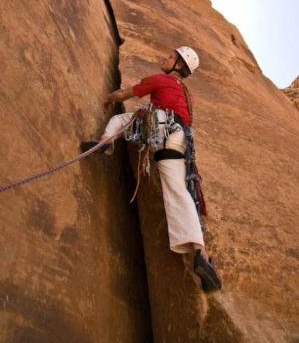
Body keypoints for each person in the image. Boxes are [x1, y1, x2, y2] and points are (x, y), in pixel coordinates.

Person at [81, 46, 222, 292]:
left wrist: (107, 99)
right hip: (180, 143)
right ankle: (203, 257)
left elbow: (126, 93)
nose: (164, 58)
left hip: (163, 134)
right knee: (181, 190)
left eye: (170, 57)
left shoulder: (160, 80)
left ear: (178, 65)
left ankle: (106, 143)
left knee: (121, 120)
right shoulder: (186, 94)